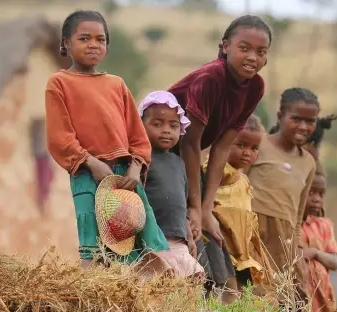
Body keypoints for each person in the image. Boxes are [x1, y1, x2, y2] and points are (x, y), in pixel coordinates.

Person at [45, 10, 168, 268]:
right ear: (66, 43)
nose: (93, 45)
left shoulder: (117, 84)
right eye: (84, 38)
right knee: (94, 245)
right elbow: (60, 136)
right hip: (87, 173)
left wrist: (135, 168)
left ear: (107, 46)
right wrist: (90, 162)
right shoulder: (59, 83)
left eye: (100, 39)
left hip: (125, 176)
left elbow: (137, 134)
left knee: (139, 239)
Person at [168, 15, 272, 301]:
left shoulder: (255, 87)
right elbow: (189, 142)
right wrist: (194, 204)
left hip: (188, 158)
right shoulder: (212, 77)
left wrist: (205, 205)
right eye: (244, 48)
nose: (252, 57)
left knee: (211, 227)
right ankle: (190, 295)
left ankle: (224, 299)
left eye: (261, 52)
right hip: (163, 155)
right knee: (186, 227)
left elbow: (221, 148)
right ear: (225, 46)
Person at [248, 87, 319, 303]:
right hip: (254, 234)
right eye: (296, 119)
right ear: (280, 117)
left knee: (289, 299)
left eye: (310, 121)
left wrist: (297, 249)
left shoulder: (308, 162)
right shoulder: (258, 143)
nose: (304, 127)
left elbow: (297, 215)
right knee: (256, 294)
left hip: (285, 241)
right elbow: (236, 184)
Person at [202, 115, 273, 293]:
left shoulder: (243, 179)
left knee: (244, 291)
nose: (247, 152)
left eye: (254, 148)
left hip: (240, 245)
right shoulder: (218, 169)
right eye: (241, 145)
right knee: (226, 289)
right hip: (222, 240)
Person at [138, 90, 204, 278]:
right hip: (151, 240)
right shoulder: (141, 160)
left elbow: (181, 206)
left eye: (173, 126)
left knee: (193, 279)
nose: (166, 130)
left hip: (178, 241)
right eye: (157, 124)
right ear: (141, 126)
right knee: (158, 285)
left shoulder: (179, 162)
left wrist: (189, 238)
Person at [301, 166, 337, 312]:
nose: (317, 199)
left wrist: (315, 253)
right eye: (311, 193)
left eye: (321, 194)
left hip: (323, 296)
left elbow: (334, 262)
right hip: (299, 296)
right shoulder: (288, 227)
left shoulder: (324, 225)